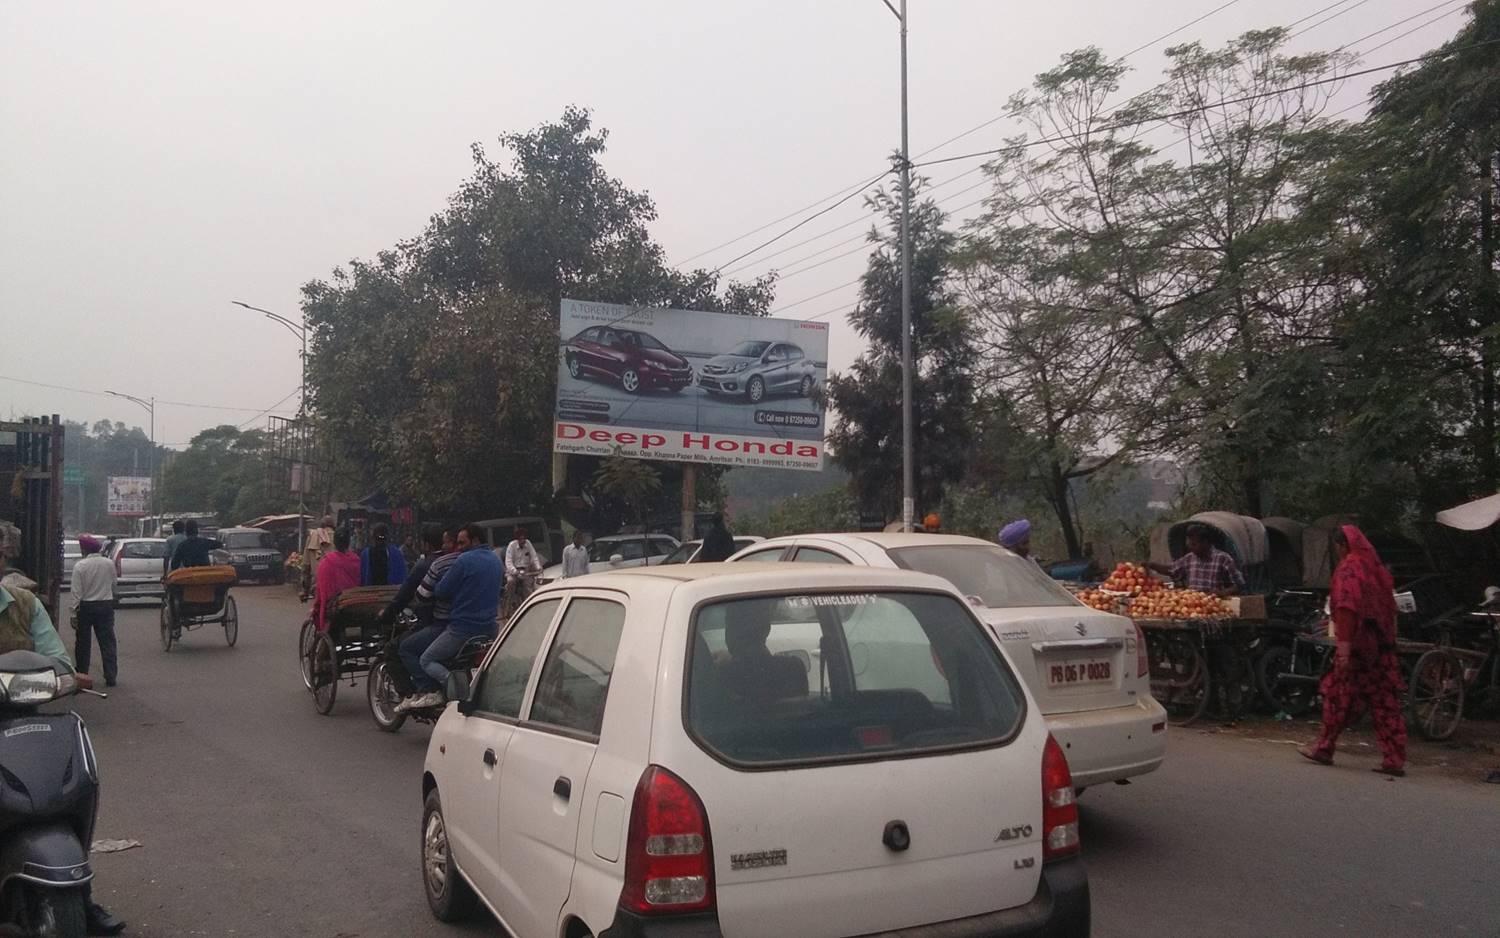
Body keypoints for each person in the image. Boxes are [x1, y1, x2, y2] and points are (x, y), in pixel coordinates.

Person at [0, 553, 125, 935]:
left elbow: (56, 657)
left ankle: (79, 893)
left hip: (24, 717)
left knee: (61, 789)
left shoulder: (23, 603)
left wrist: (66, 674)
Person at [1299, 525, 1407, 776]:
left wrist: (1344, 652)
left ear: (1342, 546)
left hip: (1359, 648)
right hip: (1382, 647)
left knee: (1337, 695)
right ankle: (1394, 758)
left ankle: (1325, 747)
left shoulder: (1349, 570)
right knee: (1385, 702)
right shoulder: (1375, 569)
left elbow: (1347, 611)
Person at [398, 523, 502, 711]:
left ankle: (453, 689)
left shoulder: (463, 560)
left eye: (462, 543)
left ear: (476, 540)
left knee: (426, 660)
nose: (458, 547)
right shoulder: (495, 559)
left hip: (462, 628)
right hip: (490, 628)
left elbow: (441, 590)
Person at [70, 535, 119, 688]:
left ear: (84, 549)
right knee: (107, 642)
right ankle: (111, 675)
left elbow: (76, 593)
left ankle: (83, 675)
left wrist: (73, 613)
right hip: (105, 605)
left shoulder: (80, 566)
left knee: (83, 643)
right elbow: (114, 583)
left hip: (86, 607)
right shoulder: (109, 563)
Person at [1148, 524, 1245, 597]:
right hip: (1194, 604)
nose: (1190, 547)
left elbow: (1239, 585)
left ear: (1206, 543)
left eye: (1194, 544)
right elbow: (1172, 570)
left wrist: (1222, 593)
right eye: (1189, 544)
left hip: (1215, 604)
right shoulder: (1190, 558)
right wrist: (1152, 565)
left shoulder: (1223, 558)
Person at [312, 527, 362, 633]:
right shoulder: (356, 560)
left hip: (335, 609)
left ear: (334, 543)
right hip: (356, 606)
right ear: (348, 542)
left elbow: (322, 590)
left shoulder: (326, 562)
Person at [502, 525, 543, 602]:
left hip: (525, 572)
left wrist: (538, 567)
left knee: (529, 586)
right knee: (511, 582)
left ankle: (529, 603)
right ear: (517, 539)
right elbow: (508, 562)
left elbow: (534, 557)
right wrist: (515, 571)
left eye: (524, 538)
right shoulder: (511, 545)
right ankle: (509, 602)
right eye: (520, 539)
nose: (522, 541)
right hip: (513, 572)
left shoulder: (528, 544)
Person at [302, 515, 336, 595]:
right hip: (336, 586)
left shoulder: (312, 536)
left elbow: (306, 566)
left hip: (317, 586)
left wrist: (305, 590)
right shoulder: (338, 536)